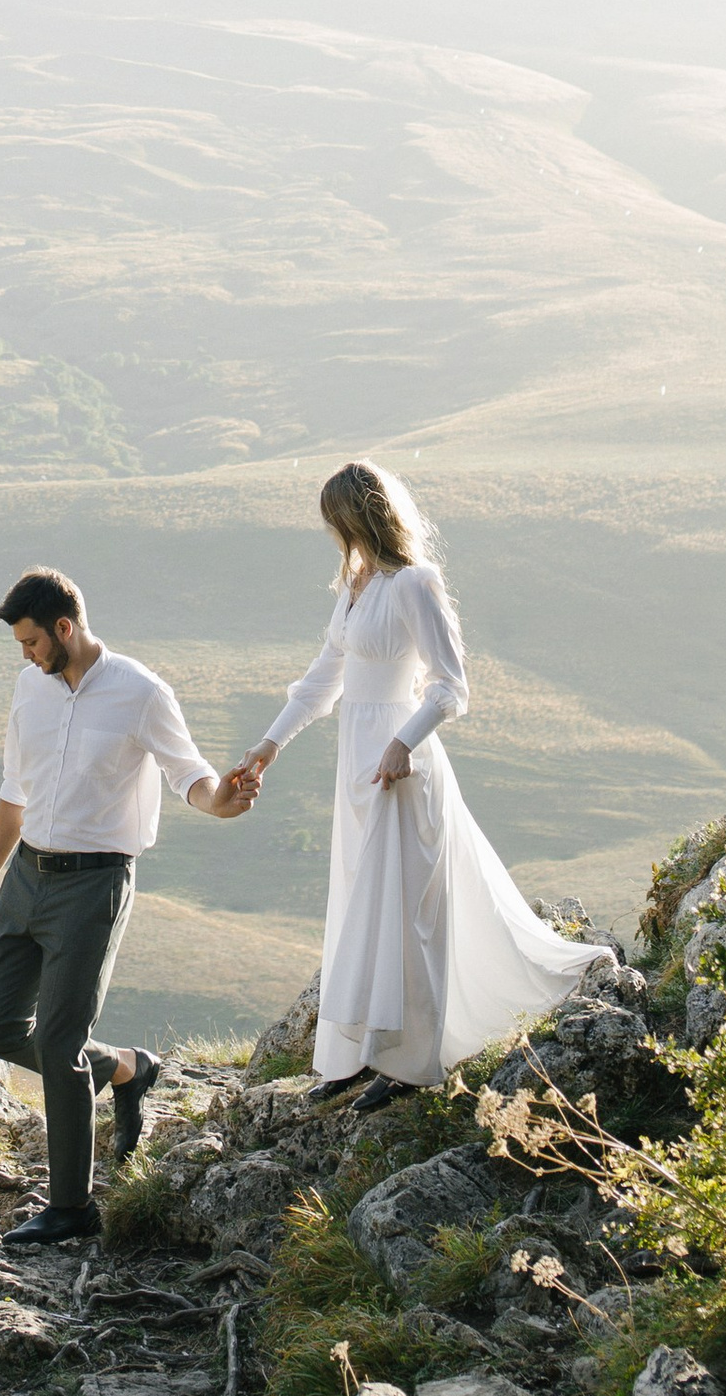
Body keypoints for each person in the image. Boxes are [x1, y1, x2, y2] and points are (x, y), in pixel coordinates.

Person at [224, 460, 607, 1107]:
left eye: (338, 522)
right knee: (361, 908)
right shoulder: (354, 587)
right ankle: (352, 1058)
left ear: (360, 517)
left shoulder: (414, 584)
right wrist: (267, 746)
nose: (334, 535)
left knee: (411, 918)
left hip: (403, 765)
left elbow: (452, 686)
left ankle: (411, 1068)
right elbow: (323, 679)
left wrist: (404, 742)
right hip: (358, 766)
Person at [0, 566, 254, 1246]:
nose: (26, 656)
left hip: (93, 885)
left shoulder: (140, 693)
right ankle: (128, 1069)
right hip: (25, 878)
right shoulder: (28, 687)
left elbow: (188, 772)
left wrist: (219, 802)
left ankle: (71, 1207)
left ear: (65, 629)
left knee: (58, 1042)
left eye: (33, 642)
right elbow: (16, 788)